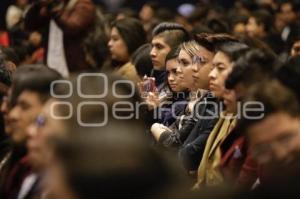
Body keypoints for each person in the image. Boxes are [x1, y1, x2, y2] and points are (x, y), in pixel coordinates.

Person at [0, 64, 61, 199]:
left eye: (24, 106)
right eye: (8, 101)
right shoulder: (16, 162)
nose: (7, 110)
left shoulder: (57, 179)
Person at [194, 41, 249, 188]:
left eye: (220, 68)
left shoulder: (251, 123)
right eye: (212, 68)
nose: (211, 75)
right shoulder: (225, 113)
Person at [24, 0, 96, 76]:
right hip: (51, 64)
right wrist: (37, 5)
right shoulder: (52, 5)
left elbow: (72, 28)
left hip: (76, 67)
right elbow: (29, 25)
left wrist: (52, 8)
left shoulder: (84, 4)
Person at [108, 17, 146, 83]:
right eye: (110, 39)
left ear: (130, 40)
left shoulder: (133, 72)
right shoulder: (119, 67)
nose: (109, 44)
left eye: (115, 39)